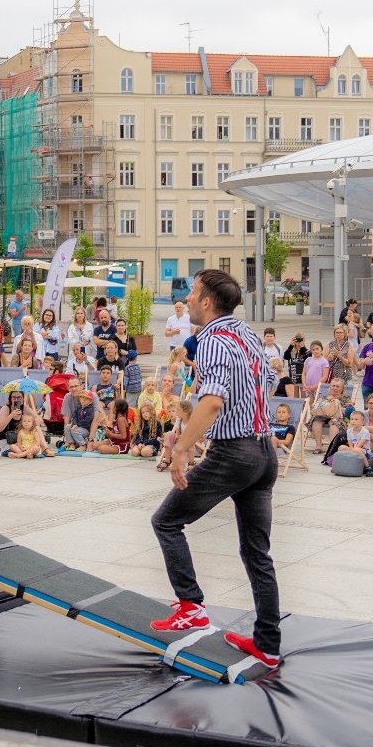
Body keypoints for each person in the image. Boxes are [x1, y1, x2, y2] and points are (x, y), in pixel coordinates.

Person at [148, 268, 283, 671]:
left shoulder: (211, 341)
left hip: (234, 452)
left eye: (191, 293)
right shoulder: (246, 333)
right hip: (264, 452)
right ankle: (268, 646)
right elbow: (272, 380)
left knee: (166, 522)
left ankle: (190, 605)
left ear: (206, 302)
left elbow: (211, 403)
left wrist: (181, 450)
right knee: (257, 552)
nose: (187, 299)